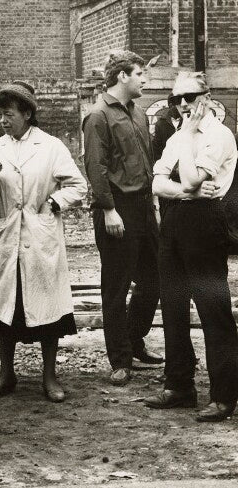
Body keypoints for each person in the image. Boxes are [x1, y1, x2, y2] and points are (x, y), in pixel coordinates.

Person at [0, 82, 87, 402]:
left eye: (8, 114)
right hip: (8, 235)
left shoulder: (51, 147)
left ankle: (49, 377)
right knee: (6, 310)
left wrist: (54, 203)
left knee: (48, 310)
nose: (2, 121)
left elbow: (78, 186)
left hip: (40, 237)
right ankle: (6, 374)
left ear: (27, 113)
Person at [145, 71, 238, 422]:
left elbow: (185, 177)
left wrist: (187, 185)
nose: (183, 104)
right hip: (174, 223)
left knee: (213, 309)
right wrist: (190, 190)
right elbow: (157, 183)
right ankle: (179, 385)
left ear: (207, 96)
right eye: (176, 99)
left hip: (206, 225)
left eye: (190, 97)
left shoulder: (219, 135)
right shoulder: (178, 134)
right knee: (172, 304)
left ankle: (225, 395)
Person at [82, 50, 163, 386]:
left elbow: (145, 161)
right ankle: (120, 359)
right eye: (140, 73)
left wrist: (154, 201)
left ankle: (133, 341)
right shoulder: (98, 116)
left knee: (155, 278)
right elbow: (95, 167)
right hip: (117, 208)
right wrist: (109, 209)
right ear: (122, 77)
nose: (145, 79)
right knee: (115, 287)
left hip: (144, 206)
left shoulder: (139, 113)